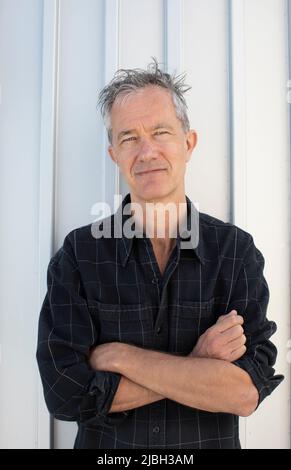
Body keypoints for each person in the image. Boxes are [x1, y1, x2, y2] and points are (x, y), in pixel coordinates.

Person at [36, 58, 283, 449]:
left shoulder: (235, 252)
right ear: (114, 154)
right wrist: (200, 362)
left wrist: (117, 356)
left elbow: (243, 393)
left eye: (160, 132)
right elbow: (65, 395)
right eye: (129, 137)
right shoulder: (80, 255)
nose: (146, 150)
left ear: (189, 143)